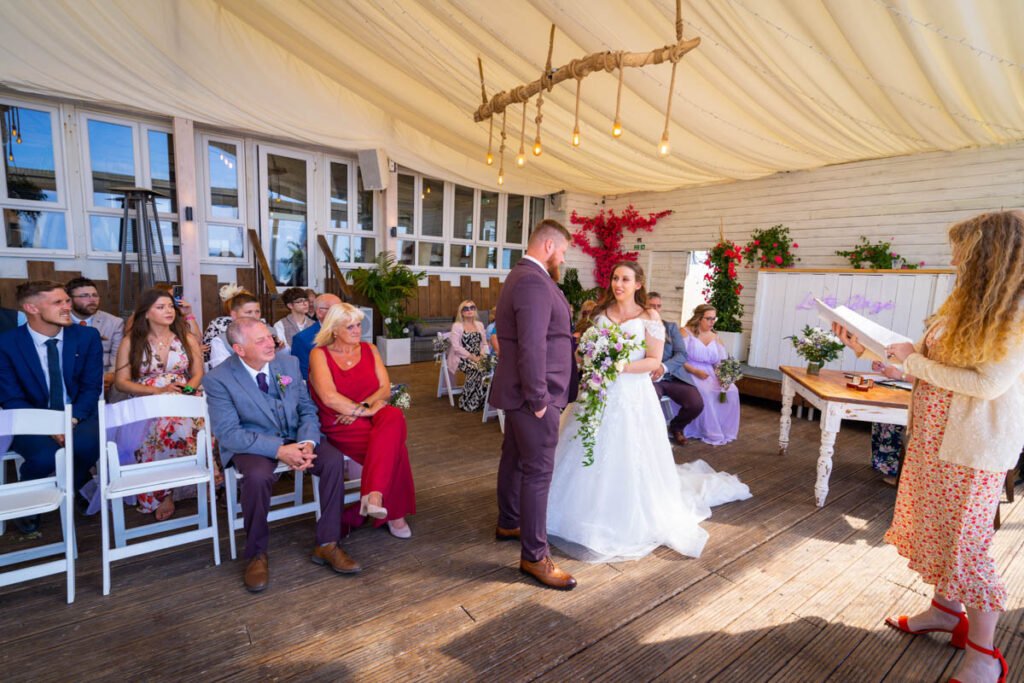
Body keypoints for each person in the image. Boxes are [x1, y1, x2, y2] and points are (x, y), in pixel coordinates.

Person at [834, 210, 1024, 683]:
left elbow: (986, 386)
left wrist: (913, 361)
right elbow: (924, 364)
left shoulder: (1015, 311)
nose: (956, 257)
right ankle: (945, 611)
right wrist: (871, 350)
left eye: (964, 250)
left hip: (972, 448)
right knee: (940, 530)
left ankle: (984, 655)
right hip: (934, 439)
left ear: (991, 256)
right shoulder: (968, 302)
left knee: (967, 545)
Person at [547, 262, 749, 564]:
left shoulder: (649, 318)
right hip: (599, 393)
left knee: (629, 450)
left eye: (625, 279)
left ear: (638, 283)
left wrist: (619, 366)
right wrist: (589, 358)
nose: (619, 284)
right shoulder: (601, 316)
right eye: (615, 278)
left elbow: (654, 361)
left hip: (632, 393)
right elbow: (583, 351)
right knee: (587, 445)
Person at [205, 318, 359, 592]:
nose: (271, 343)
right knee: (257, 475)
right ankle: (256, 553)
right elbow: (229, 434)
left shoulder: (286, 364)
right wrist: (278, 450)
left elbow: (306, 409)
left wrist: (308, 442)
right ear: (239, 349)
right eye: (261, 340)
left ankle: (328, 543)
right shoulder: (218, 379)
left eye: (270, 336)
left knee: (333, 460)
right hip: (252, 443)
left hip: (295, 436)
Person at [489, 219, 577, 590]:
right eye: (563, 252)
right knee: (538, 472)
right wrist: (540, 397)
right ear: (548, 246)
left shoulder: (526, 277)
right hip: (534, 395)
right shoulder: (531, 280)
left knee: (514, 458)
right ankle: (534, 556)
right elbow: (531, 345)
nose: (563, 259)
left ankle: (510, 520)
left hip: (525, 393)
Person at [0, 281, 103, 532]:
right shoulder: (7, 344)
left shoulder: (86, 336)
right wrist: (47, 425)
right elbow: (11, 397)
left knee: (88, 444)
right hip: (28, 414)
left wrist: (72, 419)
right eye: (58, 302)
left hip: (77, 411)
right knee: (45, 456)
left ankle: (68, 485)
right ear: (31, 308)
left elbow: (91, 387)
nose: (68, 306)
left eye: (67, 300)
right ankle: (32, 496)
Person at [308, 303, 415, 539]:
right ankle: (386, 511)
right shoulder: (319, 354)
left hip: (370, 412)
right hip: (340, 421)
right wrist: (363, 411)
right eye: (350, 326)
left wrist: (364, 408)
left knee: (394, 415)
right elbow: (328, 397)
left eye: (358, 325)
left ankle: (372, 496)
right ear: (334, 330)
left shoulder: (370, 349)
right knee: (395, 449)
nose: (357, 330)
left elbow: (384, 389)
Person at [113, 289, 205, 521]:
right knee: (165, 423)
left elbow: (197, 373)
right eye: (160, 307)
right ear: (146, 313)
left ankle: (190, 479)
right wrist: (158, 391)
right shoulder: (131, 342)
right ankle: (163, 492)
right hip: (147, 400)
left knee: (183, 420)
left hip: (185, 396)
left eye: (170, 307)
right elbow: (121, 383)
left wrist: (186, 392)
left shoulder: (186, 338)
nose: (168, 311)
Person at [647, 292, 704, 446]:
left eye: (658, 306)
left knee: (696, 403)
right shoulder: (638, 327)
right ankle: (652, 436)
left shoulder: (670, 328)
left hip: (673, 376)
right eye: (652, 306)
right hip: (649, 378)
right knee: (650, 400)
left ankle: (677, 427)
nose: (656, 309)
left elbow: (682, 354)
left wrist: (664, 367)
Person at [679, 304, 740, 446]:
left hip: (710, 373)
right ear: (699, 318)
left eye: (714, 318)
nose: (712, 322)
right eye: (708, 319)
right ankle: (707, 430)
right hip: (689, 371)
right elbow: (679, 358)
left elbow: (721, 361)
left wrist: (725, 377)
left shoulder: (715, 337)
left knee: (731, 390)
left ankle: (722, 427)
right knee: (705, 392)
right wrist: (695, 371)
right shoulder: (685, 333)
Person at [66, 277, 124, 393]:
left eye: (95, 295)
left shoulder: (114, 322)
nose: (92, 299)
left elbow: (118, 357)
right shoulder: (60, 321)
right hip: (69, 375)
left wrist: (111, 375)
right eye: (85, 296)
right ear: (69, 300)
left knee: (120, 388)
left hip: (103, 374)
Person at [870, 360, 912, 485]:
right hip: (907, 384)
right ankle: (886, 465)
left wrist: (901, 375)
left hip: (921, 389)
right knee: (882, 415)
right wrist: (886, 368)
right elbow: (910, 360)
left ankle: (897, 472)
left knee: (893, 421)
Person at [448, 300, 491, 412]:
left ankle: (483, 402)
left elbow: (484, 343)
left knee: (489, 369)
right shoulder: (457, 326)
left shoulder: (479, 325)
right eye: (466, 308)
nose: (469, 310)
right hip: (462, 358)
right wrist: (473, 357)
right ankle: (467, 403)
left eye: (472, 307)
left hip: (479, 356)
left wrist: (482, 355)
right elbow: (456, 347)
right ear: (461, 312)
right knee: (477, 370)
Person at [291, 293, 342, 381]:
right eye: (335, 310)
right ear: (319, 312)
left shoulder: (349, 332)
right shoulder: (303, 339)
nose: (341, 314)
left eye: (342, 309)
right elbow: (304, 376)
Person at [208, 292, 263, 368]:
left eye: (257, 312)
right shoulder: (220, 341)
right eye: (248, 312)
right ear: (234, 315)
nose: (254, 316)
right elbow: (222, 371)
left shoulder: (271, 333)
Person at [201, 283, 247, 362]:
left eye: (256, 311)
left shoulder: (259, 325)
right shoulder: (217, 324)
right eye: (248, 311)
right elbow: (206, 349)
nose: (253, 314)